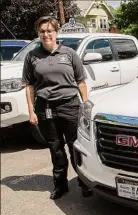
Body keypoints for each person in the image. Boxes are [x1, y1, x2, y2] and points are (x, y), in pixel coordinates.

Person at [22, 16, 93, 200]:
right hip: (45, 107)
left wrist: (85, 105)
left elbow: (81, 82)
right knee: (56, 148)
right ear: (38, 33)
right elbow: (29, 86)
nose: (46, 34)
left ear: (56, 32)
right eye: (42, 31)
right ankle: (60, 185)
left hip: (70, 105)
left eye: (49, 31)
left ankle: (84, 183)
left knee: (75, 146)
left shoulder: (69, 54)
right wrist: (31, 111)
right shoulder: (32, 57)